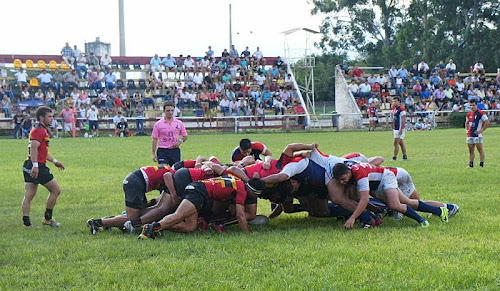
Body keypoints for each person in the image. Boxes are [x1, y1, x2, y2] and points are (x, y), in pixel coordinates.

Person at [332, 162, 450, 229]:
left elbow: (364, 199)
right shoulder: (350, 170)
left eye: (343, 179)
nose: (342, 183)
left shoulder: (359, 174)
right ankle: (440, 211)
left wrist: (352, 218)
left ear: (348, 172)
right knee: (407, 203)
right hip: (378, 183)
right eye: (340, 181)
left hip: (386, 177)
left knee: (395, 205)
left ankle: (422, 220)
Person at [138, 176, 259, 239]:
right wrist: (247, 233)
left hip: (197, 188)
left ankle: (160, 227)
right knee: (179, 215)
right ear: (252, 191)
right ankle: (151, 227)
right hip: (199, 192)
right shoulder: (242, 191)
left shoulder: (237, 181)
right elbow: (240, 214)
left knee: (190, 227)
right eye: (256, 195)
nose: (256, 197)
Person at [86, 165, 176, 234]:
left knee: (142, 213)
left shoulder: (170, 170)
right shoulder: (172, 174)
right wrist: (173, 195)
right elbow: (167, 175)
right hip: (136, 182)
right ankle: (97, 222)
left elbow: (160, 200)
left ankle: (110, 221)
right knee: (132, 218)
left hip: (137, 181)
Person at [22, 106, 65, 227]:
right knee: (55, 190)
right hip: (38, 166)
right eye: (49, 116)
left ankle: (26, 223)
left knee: (29, 194)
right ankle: (48, 219)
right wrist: (36, 166)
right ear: (41, 117)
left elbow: (42, 151)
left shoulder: (38, 129)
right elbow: (33, 147)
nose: (52, 119)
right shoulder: (39, 130)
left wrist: (54, 161)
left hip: (29, 163)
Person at [152, 102, 188, 166]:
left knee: (175, 171)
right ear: (164, 111)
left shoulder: (179, 123)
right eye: (168, 111)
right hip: (162, 150)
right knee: (162, 170)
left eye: (172, 110)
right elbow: (155, 139)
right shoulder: (158, 124)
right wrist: (153, 153)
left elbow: (185, 136)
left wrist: (180, 141)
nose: (170, 112)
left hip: (175, 151)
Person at [465, 99, 489, 168]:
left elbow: (487, 122)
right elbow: (466, 122)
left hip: (477, 135)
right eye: (471, 105)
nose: (472, 107)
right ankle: (471, 164)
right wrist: (466, 130)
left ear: (476, 105)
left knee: (480, 149)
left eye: (473, 105)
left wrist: (481, 130)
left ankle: (481, 164)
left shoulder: (481, 113)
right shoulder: (469, 114)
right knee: (471, 151)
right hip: (470, 135)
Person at [391, 97, 407, 161]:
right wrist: (393, 128)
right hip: (396, 128)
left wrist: (401, 129)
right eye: (393, 101)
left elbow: (403, 120)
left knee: (396, 143)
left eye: (395, 101)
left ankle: (394, 157)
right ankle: (404, 156)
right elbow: (394, 119)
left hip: (399, 128)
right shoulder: (394, 109)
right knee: (401, 143)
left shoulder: (402, 109)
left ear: (399, 102)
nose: (394, 102)